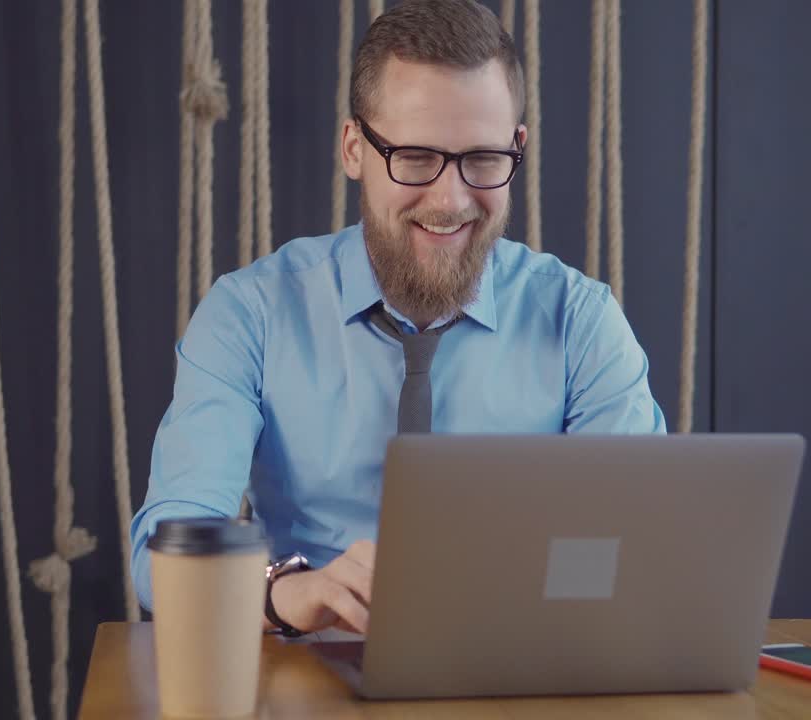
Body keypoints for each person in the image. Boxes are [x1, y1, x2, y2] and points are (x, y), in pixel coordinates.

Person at [129, 0, 665, 636]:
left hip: (522, 672)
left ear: (517, 147)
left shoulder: (583, 323)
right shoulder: (250, 314)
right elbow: (166, 551)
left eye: (483, 160)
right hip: (313, 672)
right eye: (414, 156)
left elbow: (639, 552)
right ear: (354, 148)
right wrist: (289, 593)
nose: (450, 199)